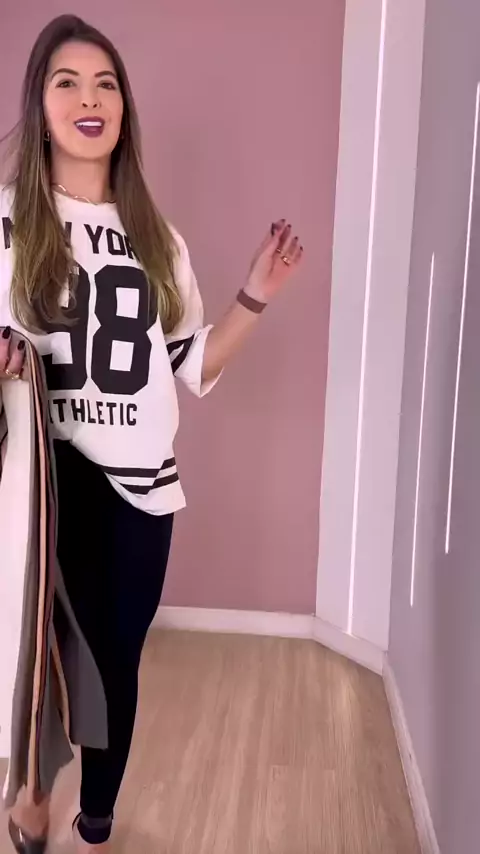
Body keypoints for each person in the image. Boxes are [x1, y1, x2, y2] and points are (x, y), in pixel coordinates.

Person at [0, 14, 303, 854]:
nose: (89, 99)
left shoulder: (158, 239)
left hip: (142, 484)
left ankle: (97, 817)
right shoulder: (9, 223)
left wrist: (255, 295)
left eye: (106, 84)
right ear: (40, 105)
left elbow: (189, 365)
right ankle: (32, 789)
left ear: (124, 109)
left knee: (116, 659)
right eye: (67, 82)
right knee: (39, 650)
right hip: (47, 473)